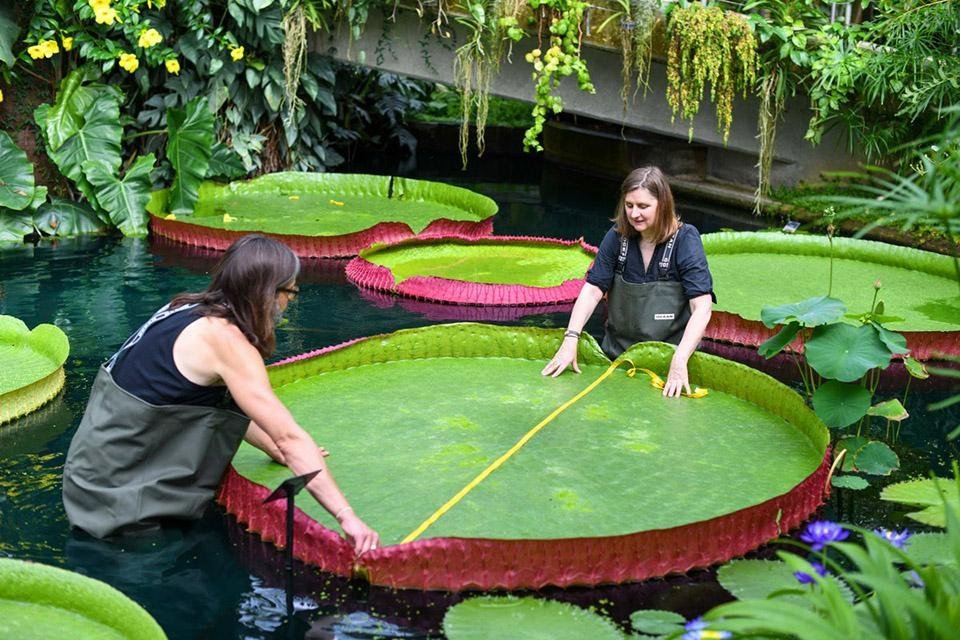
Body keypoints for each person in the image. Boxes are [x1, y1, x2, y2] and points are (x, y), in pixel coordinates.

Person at [63, 234, 379, 553]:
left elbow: (223, 403)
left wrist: (274, 450)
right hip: (118, 502)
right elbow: (290, 437)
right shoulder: (226, 342)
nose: (291, 302)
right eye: (291, 291)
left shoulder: (185, 308)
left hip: (87, 478)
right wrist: (346, 516)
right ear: (267, 293)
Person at [541, 166, 714, 397]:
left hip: (669, 361)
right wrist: (571, 338)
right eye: (629, 205)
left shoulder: (685, 239)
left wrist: (680, 359)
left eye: (643, 206)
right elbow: (592, 290)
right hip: (616, 359)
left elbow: (701, 307)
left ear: (662, 205)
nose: (634, 214)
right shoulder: (617, 237)